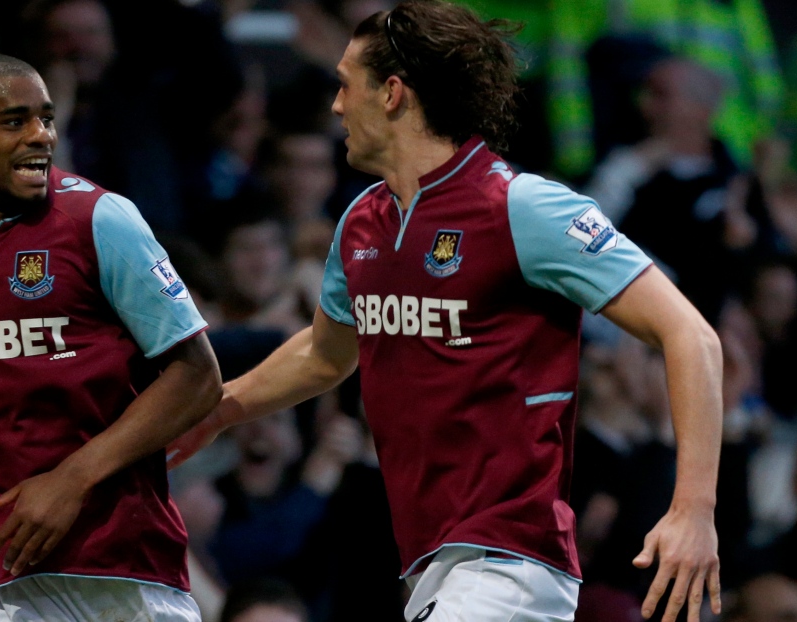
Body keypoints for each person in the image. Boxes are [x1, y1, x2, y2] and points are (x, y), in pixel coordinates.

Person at [167, 2, 723, 621]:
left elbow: (691, 335)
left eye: (347, 85)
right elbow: (325, 353)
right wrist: (221, 410)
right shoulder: (360, 223)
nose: (336, 106)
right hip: (430, 564)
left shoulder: (524, 208)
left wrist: (694, 511)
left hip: (510, 563)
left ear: (394, 94)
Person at [0, 53, 223, 621]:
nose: (39, 136)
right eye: (13, 121)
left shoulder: (102, 220)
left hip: (120, 572)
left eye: (45, 119)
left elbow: (198, 377)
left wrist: (71, 479)